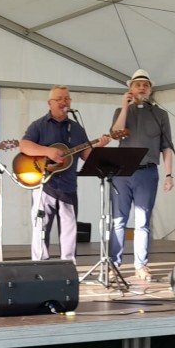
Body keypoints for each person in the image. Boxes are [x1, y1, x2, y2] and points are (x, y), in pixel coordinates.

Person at [19, 86, 111, 262]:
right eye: (59, 99)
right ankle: (40, 266)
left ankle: (69, 266)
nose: (64, 102)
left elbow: (86, 155)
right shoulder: (39, 125)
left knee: (70, 230)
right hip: (44, 185)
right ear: (50, 103)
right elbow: (24, 146)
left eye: (67, 99)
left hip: (68, 186)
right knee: (41, 228)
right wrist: (47, 151)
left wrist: (99, 146)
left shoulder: (76, 128)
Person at [109, 69, 174, 281]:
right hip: (122, 172)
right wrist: (125, 106)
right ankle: (114, 264)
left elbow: (167, 146)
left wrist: (169, 174)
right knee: (119, 220)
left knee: (142, 221)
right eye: (137, 85)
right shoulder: (121, 111)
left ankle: (140, 265)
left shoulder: (160, 114)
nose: (142, 88)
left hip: (147, 172)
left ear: (150, 89)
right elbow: (115, 133)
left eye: (145, 85)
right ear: (130, 89)